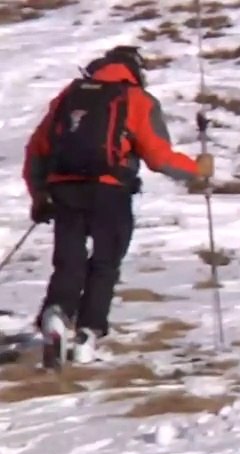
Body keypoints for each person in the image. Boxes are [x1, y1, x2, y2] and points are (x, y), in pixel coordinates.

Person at [22, 45, 215, 365]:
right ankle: (87, 334)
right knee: (104, 263)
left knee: (69, 261)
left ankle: (57, 315)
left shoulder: (70, 96)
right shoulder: (136, 99)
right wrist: (198, 170)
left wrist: (39, 195)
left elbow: (37, 148)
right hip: (111, 191)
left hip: (65, 190)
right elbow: (158, 157)